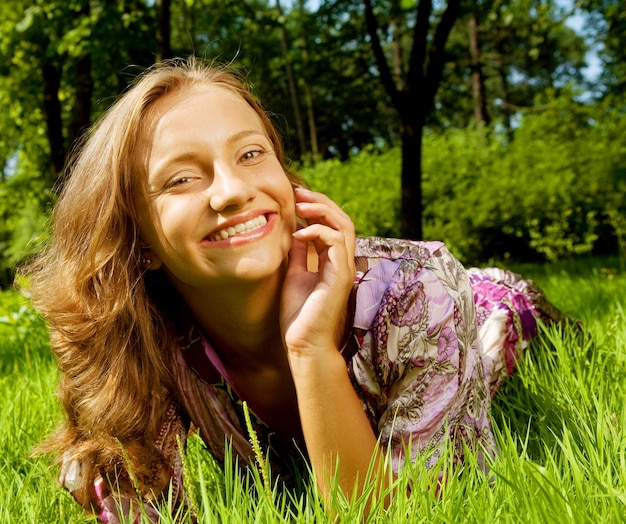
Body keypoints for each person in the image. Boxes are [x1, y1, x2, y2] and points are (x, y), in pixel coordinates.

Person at [24, 57, 566, 523]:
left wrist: (310, 352)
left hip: (479, 306)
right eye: (181, 179)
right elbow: (141, 495)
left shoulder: (418, 293)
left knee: (497, 319)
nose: (233, 191)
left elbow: (412, 511)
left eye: (251, 154)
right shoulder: (143, 330)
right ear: (138, 241)